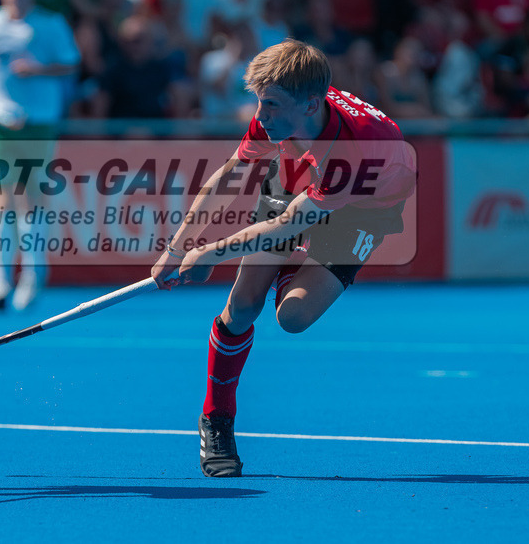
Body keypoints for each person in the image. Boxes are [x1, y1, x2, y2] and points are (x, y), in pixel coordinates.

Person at [151, 40, 415, 477]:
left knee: (292, 317)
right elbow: (230, 176)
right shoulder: (282, 113)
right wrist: (178, 247)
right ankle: (217, 417)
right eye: (259, 103)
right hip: (300, 180)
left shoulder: (354, 150)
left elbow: (286, 226)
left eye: (270, 105)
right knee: (242, 309)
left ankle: (295, 258)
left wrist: (209, 253)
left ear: (311, 105)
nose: (261, 115)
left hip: (368, 205)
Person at [0, 0, 79, 311]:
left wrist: (38, 69)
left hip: (38, 123)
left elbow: (70, 63)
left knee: (30, 202)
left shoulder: (51, 23)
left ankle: (32, 275)